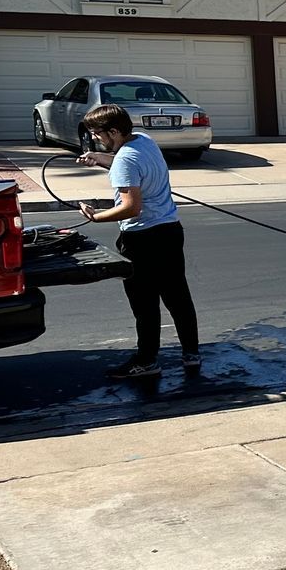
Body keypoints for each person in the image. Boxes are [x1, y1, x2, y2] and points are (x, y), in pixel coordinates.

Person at [76, 103, 201, 379]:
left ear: (113, 132)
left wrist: (95, 217)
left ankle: (146, 361)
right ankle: (191, 353)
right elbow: (130, 163)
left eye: (97, 133)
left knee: (144, 304)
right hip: (170, 230)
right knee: (177, 296)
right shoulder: (144, 140)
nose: (94, 137)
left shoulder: (124, 161)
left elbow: (131, 207)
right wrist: (99, 158)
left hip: (141, 238)